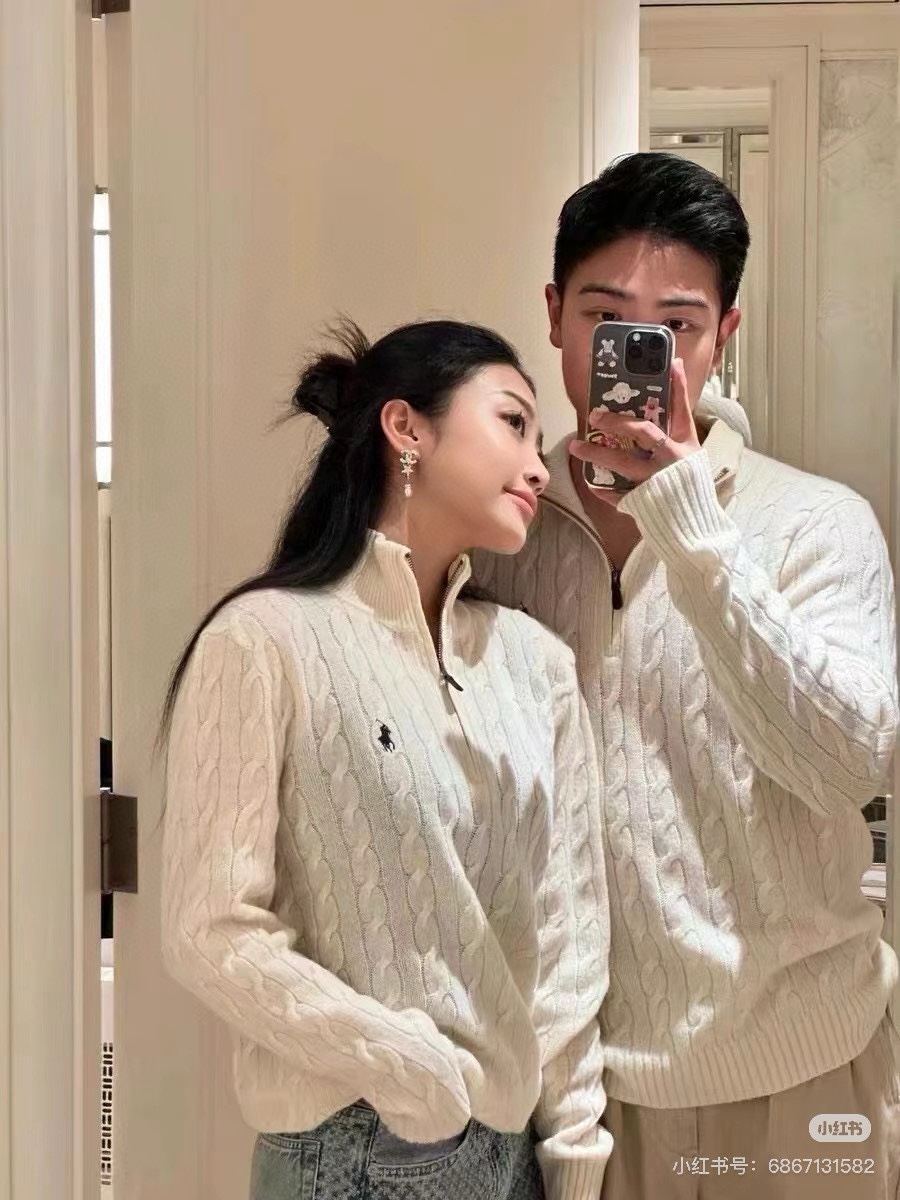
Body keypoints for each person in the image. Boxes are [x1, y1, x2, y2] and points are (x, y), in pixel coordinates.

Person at [472, 153, 900, 1199]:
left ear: (722, 337)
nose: (639, 353)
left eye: (675, 326)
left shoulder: (817, 524)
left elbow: (850, 766)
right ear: (555, 318)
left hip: (806, 1069)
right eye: (605, 316)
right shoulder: (495, 536)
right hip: (575, 1095)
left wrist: (693, 532)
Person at [159, 318, 613, 1200]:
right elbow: (208, 927)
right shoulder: (264, 639)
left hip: (514, 1153)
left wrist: (574, 1153)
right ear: (406, 428)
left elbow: (568, 937)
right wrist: (406, 1066)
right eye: (513, 423)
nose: (538, 467)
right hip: (357, 1143)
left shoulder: (537, 664)